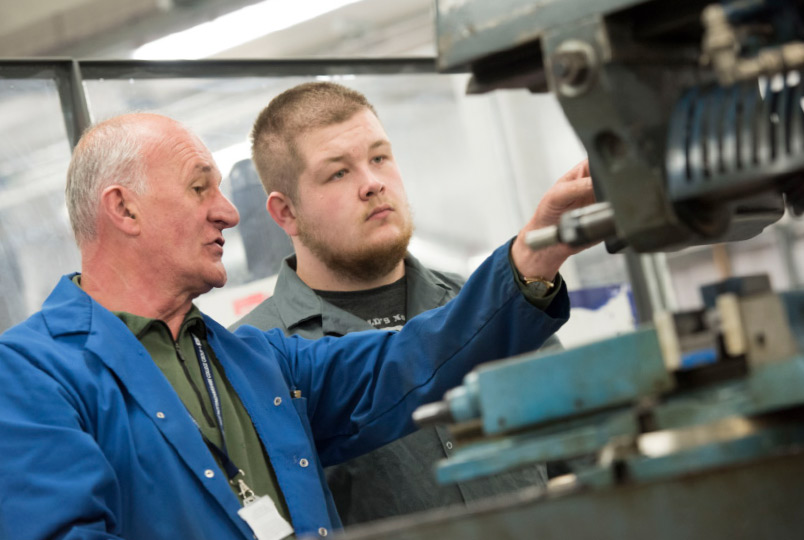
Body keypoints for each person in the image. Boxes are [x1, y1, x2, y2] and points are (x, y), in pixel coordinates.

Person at [0, 112, 593, 540]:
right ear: (124, 209)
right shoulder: (32, 374)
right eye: (199, 187)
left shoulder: (257, 360)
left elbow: (410, 360)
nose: (229, 212)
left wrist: (534, 253)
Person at [231, 82, 584, 524]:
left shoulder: (503, 307)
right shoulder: (255, 363)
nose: (374, 184)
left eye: (379, 157)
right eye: (338, 173)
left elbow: (587, 455)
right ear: (286, 213)